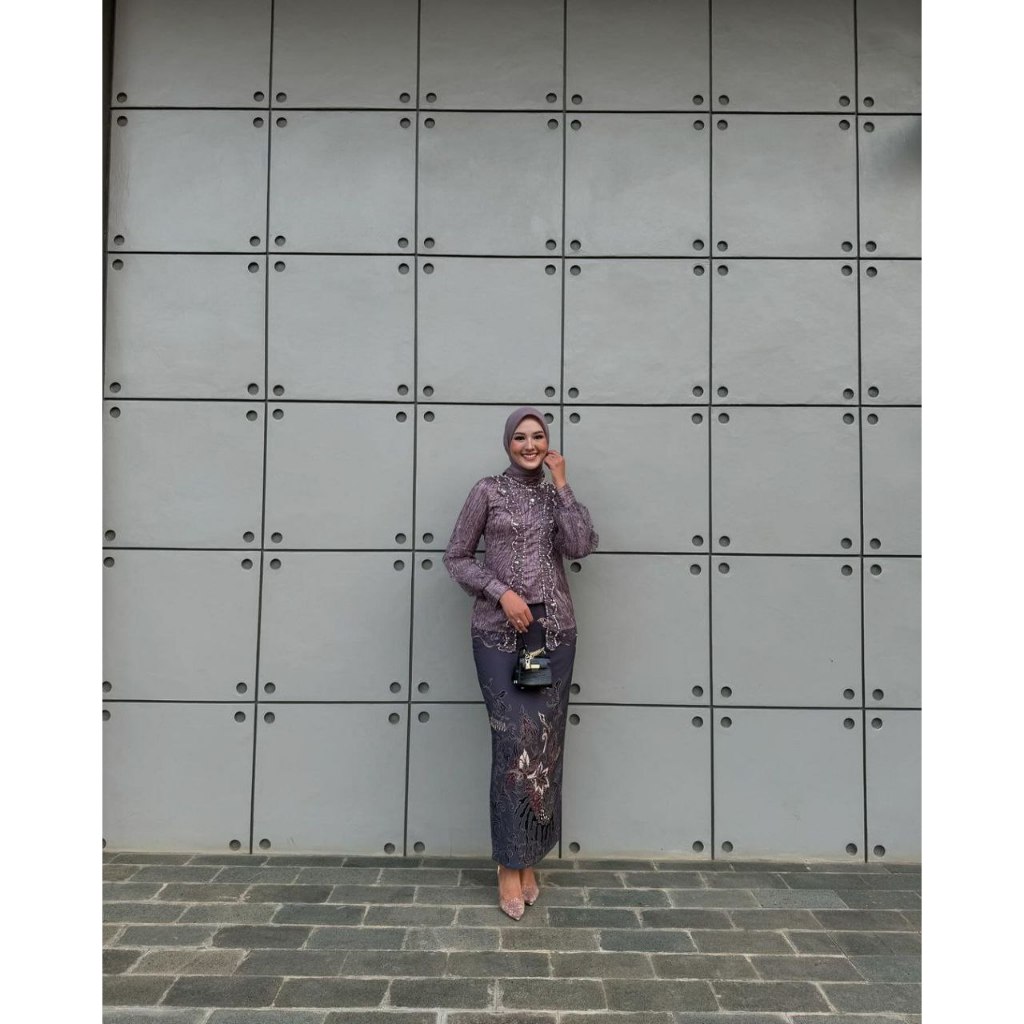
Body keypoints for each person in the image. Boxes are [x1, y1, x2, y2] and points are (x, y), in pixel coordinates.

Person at [442, 406, 599, 920]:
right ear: (507, 443)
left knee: (544, 750)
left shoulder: (555, 496)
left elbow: (580, 546)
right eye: (520, 438)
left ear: (547, 443)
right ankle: (508, 865)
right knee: (513, 746)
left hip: (554, 635)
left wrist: (564, 484)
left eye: (538, 437)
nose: (529, 445)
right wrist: (501, 591)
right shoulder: (487, 491)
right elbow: (456, 557)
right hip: (497, 634)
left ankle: (529, 857)